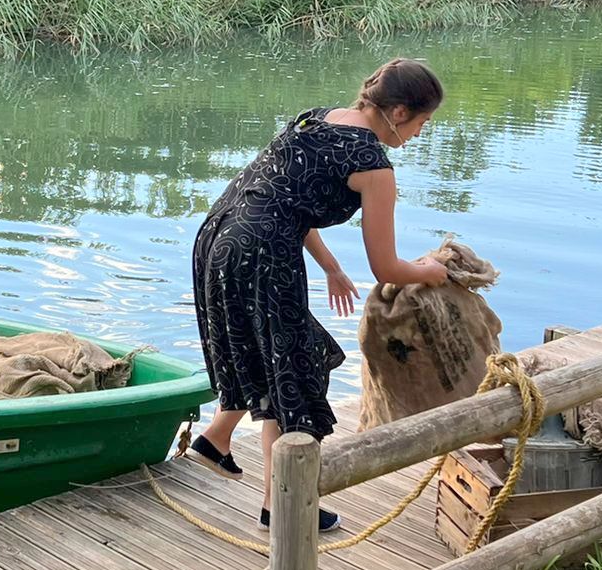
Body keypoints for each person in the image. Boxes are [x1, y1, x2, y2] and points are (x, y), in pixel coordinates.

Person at [185, 58, 449, 531]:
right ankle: (284, 506)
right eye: (423, 123)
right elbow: (387, 267)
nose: (418, 135)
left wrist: (330, 267)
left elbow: (286, 197)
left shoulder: (315, 117)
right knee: (299, 366)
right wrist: (431, 272)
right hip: (262, 254)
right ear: (400, 111)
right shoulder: (373, 166)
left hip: (217, 239)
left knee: (283, 360)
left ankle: (228, 452)